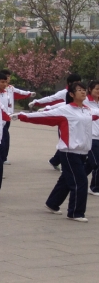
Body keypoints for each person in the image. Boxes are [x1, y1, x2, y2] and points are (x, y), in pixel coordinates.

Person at [14, 81, 98, 222]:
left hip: (83, 152)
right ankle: (75, 213)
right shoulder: (66, 110)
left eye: (84, 89)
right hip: (69, 152)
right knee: (80, 182)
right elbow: (43, 116)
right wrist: (22, 116)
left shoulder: (87, 110)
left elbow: (96, 115)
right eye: (79, 90)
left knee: (66, 179)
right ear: (71, 94)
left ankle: (52, 203)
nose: (83, 92)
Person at [30, 73, 82, 171]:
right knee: (66, 144)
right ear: (70, 83)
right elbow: (52, 99)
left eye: (80, 83)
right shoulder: (64, 93)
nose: (79, 85)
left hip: (78, 122)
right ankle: (64, 166)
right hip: (65, 121)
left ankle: (55, 161)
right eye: (76, 83)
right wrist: (38, 103)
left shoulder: (82, 94)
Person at [85, 81, 99, 197]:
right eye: (97, 89)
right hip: (91, 137)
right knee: (97, 163)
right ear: (90, 89)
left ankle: (72, 179)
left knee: (90, 164)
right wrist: (47, 108)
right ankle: (94, 188)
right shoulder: (84, 101)